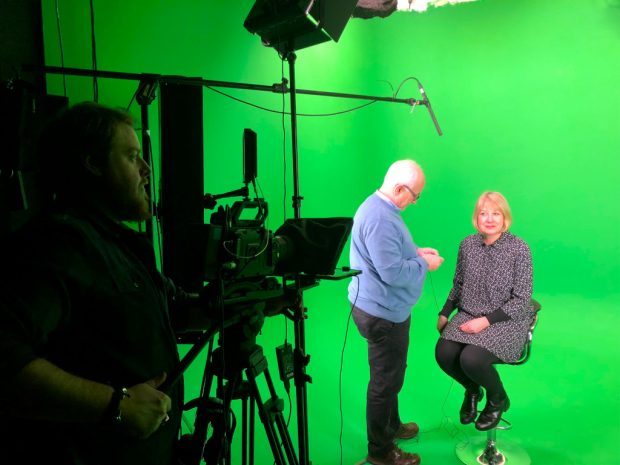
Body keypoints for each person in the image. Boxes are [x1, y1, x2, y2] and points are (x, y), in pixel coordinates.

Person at [0, 102, 213, 465]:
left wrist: (245, 302)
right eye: (132, 157)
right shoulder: (59, 244)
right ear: (93, 164)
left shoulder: (118, 245)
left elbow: (167, 313)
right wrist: (116, 406)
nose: (146, 170)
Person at [348, 159, 444, 465]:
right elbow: (391, 272)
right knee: (384, 382)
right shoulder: (380, 218)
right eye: (414, 196)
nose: (414, 203)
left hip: (385, 309)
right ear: (400, 188)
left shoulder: (382, 208)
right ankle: (381, 451)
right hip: (381, 314)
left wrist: (415, 253)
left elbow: (388, 253)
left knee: (392, 374)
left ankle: (392, 425)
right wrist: (425, 265)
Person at [435, 191, 534, 431]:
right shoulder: (467, 245)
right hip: (469, 314)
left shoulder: (519, 248)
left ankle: (497, 397)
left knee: (471, 358)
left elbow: (522, 298)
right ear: (476, 218)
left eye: (496, 213)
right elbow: (458, 283)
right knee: (444, 353)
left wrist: (486, 321)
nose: (489, 219)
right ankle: (472, 390)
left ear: (505, 218)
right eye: (483, 213)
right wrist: (446, 311)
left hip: (506, 320)